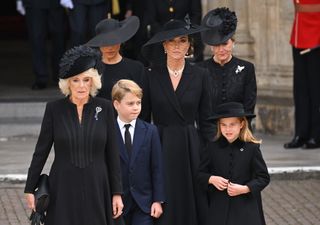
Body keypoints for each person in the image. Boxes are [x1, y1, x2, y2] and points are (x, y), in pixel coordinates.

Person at [24, 45, 124, 225]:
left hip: (97, 185)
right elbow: (41, 152)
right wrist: (29, 188)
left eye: (86, 80)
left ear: (93, 81)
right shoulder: (54, 109)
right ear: (67, 83)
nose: (81, 85)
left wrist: (117, 193)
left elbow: (113, 154)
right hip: (62, 186)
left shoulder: (106, 108)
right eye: (75, 80)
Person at [140, 17, 213, 225]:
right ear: (164, 45)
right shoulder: (151, 75)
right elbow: (144, 120)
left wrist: (212, 154)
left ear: (189, 45)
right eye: (171, 41)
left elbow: (206, 121)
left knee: (192, 199)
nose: (177, 46)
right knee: (165, 197)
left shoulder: (201, 75)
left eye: (182, 40)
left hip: (191, 147)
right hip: (161, 144)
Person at [198, 102, 270, 225]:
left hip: (245, 210)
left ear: (241, 124)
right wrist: (211, 179)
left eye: (232, 124)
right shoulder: (212, 147)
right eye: (223, 125)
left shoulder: (252, 148)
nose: (227, 129)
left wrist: (245, 188)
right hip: (218, 211)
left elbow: (263, 177)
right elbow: (199, 174)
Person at [112, 79, 165, 225]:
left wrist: (157, 200)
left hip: (144, 204)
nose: (136, 107)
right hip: (117, 204)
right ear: (116, 104)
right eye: (130, 104)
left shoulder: (150, 131)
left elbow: (157, 167)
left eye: (138, 103)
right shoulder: (107, 131)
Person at [198, 7, 257, 131]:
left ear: (233, 42)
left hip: (239, 135)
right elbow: (200, 111)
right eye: (216, 45)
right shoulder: (200, 70)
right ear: (210, 46)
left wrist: (237, 133)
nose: (221, 49)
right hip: (209, 138)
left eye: (225, 44)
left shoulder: (247, 69)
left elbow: (248, 108)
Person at [284, 0, 320, 149]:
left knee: (316, 88)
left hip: (317, 35)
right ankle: (301, 133)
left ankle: (316, 135)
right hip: (300, 34)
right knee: (300, 89)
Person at [86, 16, 145, 101]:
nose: (110, 47)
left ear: (121, 40)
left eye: (113, 41)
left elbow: (143, 102)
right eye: (105, 42)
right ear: (99, 43)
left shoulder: (137, 68)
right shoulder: (90, 70)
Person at [16, 0, 65, 89]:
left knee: (59, 38)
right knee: (36, 39)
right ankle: (40, 77)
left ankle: (60, 74)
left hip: (57, 3)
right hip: (34, 3)